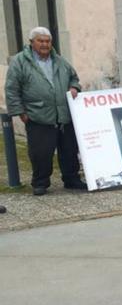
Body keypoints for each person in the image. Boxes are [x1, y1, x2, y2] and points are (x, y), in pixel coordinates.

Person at [4, 26, 85, 195]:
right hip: (37, 115)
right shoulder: (20, 62)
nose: (45, 44)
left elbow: (74, 78)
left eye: (47, 41)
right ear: (32, 42)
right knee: (41, 153)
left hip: (63, 114)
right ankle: (40, 183)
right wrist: (20, 112)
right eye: (40, 41)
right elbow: (12, 89)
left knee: (69, 149)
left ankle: (71, 179)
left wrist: (74, 87)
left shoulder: (60, 61)